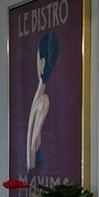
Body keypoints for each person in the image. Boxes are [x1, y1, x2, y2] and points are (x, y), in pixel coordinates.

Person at [26, 32, 59, 179]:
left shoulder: (43, 101)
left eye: (37, 59)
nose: (36, 64)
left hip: (34, 169)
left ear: (43, 62)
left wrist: (31, 169)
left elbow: (34, 141)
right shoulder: (39, 98)